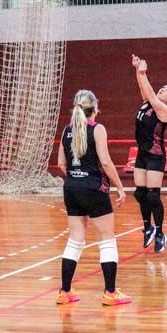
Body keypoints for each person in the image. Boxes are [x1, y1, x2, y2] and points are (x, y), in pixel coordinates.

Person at [57, 90, 130, 306]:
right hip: (94, 188)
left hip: (71, 188)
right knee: (107, 240)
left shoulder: (67, 130)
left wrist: (76, 179)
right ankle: (110, 292)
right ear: (95, 107)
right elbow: (105, 162)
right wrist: (120, 187)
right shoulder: (97, 129)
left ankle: (65, 292)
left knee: (75, 240)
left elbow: (61, 163)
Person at [131, 55, 167, 253]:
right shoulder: (147, 102)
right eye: (163, 87)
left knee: (153, 196)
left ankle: (161, 233)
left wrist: (143, 72)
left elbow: (151, 94)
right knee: (140, 193)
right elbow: (145, 90)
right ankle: (148, 228)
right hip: (142, 154)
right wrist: (138, 70)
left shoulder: (164, 111)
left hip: (155, 156)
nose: (163, 89)